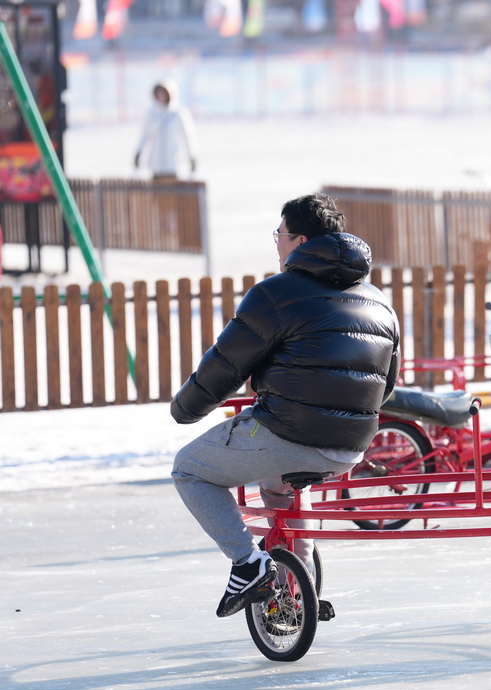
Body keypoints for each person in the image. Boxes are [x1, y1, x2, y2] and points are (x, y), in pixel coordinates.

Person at [170, 192, 401, 618]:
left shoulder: (275, 293)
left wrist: (185, 410)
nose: (276, 243)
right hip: (350, 447)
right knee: (282, 485)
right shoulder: (378, 300)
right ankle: (300, 585)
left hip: (288, 433)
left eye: (279, 234)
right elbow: (385, 385)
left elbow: (225, 365)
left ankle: (248, 564)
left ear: (299, 241)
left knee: (189, 468)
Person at [134, 79, 198, 181]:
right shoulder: (151, 113)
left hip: (173, 163)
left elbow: (188, 136)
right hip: (156, 163)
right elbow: (145, 135)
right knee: (156, 189)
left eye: (164, 93)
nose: (161, 96)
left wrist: (192, 156)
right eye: (158, 93)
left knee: (171, 189)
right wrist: (138, 152)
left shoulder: (179, 113)